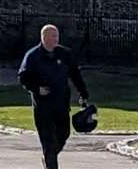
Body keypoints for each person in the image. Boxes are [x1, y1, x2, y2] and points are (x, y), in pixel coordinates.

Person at [18, 23, 90, 169]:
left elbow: (75, 75)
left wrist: (83, 93)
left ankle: (49, 156)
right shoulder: (33, 56)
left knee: (63, 134)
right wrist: (37, 89)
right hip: (43, 106)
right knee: (48, 140)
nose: (56, 38)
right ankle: (50, 162)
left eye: (57, 35)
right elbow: (23, 77)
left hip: (61, 103)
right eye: (53, 35)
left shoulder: (64, 54)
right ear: (44, 37)